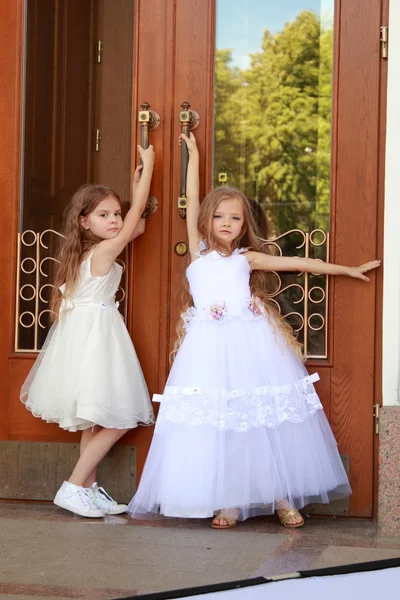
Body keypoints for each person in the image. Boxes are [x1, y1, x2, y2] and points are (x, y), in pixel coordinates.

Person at [127, 133, 380, 529]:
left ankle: (282, 497)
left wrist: (347, 270)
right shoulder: (198, 250)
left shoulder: (247, 257)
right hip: (207, 350)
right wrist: (192, 155)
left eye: (235, 218)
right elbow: (191, 197)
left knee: (261, 418)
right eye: (219, 217)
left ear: (244, 225)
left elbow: (302, 263)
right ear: (206, 221)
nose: (227, 224)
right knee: (221, 422)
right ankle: (228, 502)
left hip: (251, 345)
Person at [21, 145, 156, 518]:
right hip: (97, 339)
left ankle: (89, 487)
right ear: (84, 222)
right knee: (118, 418)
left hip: (88, 336)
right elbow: (133, 227)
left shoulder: (90, 252)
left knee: (94, 418)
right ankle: (72, 486)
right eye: (104, 215)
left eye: (116, 213)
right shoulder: (102, 252)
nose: (115, 220)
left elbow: (138, 225)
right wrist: (150, 172)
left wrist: (135, 181)